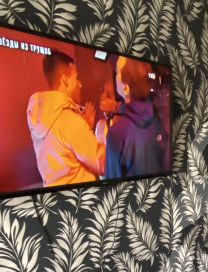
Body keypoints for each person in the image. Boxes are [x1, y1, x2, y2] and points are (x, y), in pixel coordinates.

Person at [27, 51, 105, 186]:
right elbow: (102, 164)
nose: (80, 84)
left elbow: (64, 152)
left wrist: (83, 127)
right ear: (65, 80)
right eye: (76, 78)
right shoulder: (70, 121)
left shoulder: (42, 117)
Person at [105, 57, 164, 179]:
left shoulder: (117, 133)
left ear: (125, 87)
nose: (115, 75)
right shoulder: (158, 121)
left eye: (118, 71)